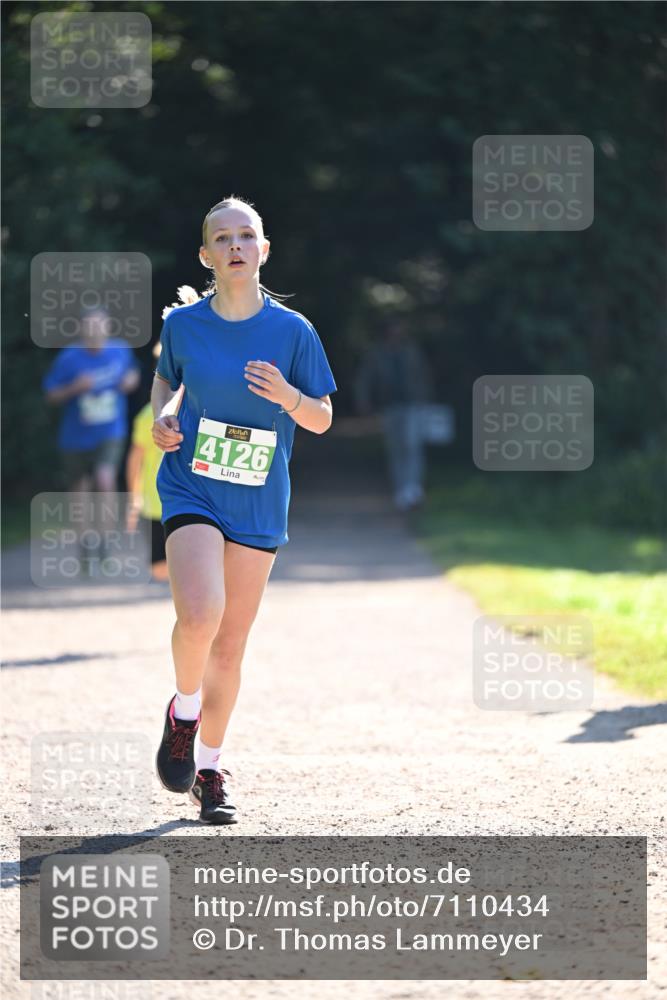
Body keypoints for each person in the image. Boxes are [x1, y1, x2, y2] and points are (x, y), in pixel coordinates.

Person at [152, 195, 337, 824]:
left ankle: (209, 768)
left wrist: (289, 395)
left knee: (229, 647)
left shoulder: (293, 332)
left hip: (258, 499)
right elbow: (165, 379)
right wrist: (163, 416)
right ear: (206, 256)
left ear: (263, 250)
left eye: (246, 235)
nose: (235, 245)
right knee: (201, 614)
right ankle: (182, 711)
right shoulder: (183, 325)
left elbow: (322, 419)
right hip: (191, 485)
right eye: (222, 238)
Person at [42, 308, 140, 561]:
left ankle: (106, 540)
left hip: (110, 431)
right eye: (90, 327)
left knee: (105, 479)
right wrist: (75, 388)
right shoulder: (69, 358)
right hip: (75, 437)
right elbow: (51, 395)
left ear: (107, 329)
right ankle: (85, 541)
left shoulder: (120, 351)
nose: (95, 332)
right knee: (81, 489)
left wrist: (130, 380)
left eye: (100, 327)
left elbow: (133, 373)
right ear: (82, 330)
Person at [354, 319, 433, 512]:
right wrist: (364, 401)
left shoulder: (411, 351)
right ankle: (401, 490)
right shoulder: (377, 353)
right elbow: (366, 378)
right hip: (389, 406)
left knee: (412, 445)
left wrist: (426, 400)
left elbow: (423, 376)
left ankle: (413, 487)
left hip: (412, 404)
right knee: (396, 448)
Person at [125, 342, 177, 582]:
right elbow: (136, 458)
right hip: (158, 503)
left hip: (161, 503)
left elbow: (134, 459)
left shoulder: (147, 414)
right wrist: (134, 497)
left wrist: (133, 496)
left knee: (165, 566)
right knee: (163, 567)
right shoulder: (149, 416)